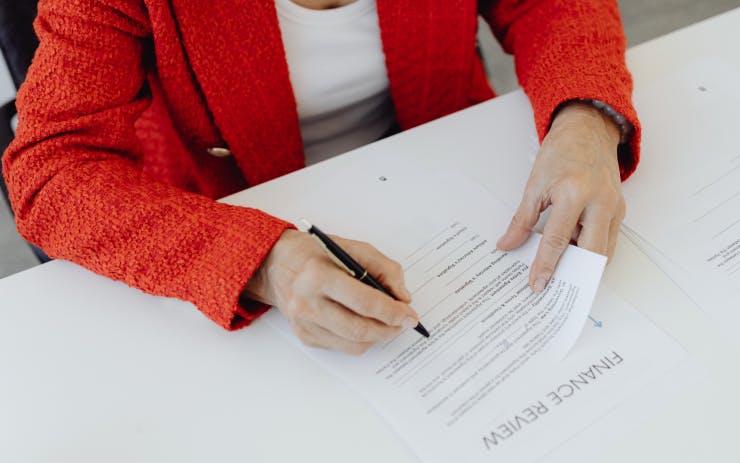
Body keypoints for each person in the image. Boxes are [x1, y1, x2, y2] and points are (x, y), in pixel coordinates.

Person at [3, 0, 641, 355]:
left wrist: (584, 116)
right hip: (231, 209)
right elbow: (52, 168)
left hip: (451, 176)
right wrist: (257, 263)